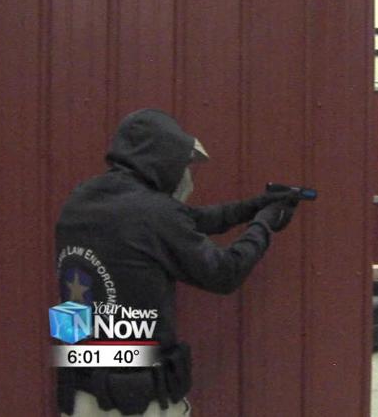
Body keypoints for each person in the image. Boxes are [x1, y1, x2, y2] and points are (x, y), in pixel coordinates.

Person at [55, 109, 300, 416]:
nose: (185, 175)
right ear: (161, 159)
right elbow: (225, 273)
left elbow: (189, 220)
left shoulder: (81, 199)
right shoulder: (153, 213)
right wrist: (264, 224)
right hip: (137, 401)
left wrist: (256, 206)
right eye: (182, 164)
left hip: (80, 389)